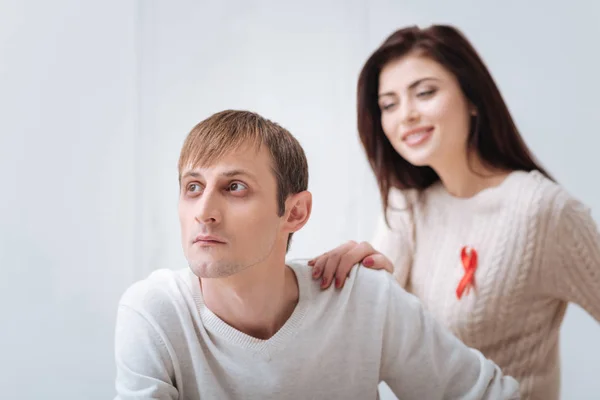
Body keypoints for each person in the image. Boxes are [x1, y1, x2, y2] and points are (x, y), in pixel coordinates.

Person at [113, 110, 519, 400]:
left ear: (295, 212)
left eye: (235, 187)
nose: (204, 212)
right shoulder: (154, 314)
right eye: (193, 187)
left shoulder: (361, 296)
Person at [308, 24, 600, 400]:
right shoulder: (407, 206)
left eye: (425, 93)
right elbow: (367, 334)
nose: (406, 115)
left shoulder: (542, 211)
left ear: (473, 98)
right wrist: (352, 284)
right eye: (389, 104)